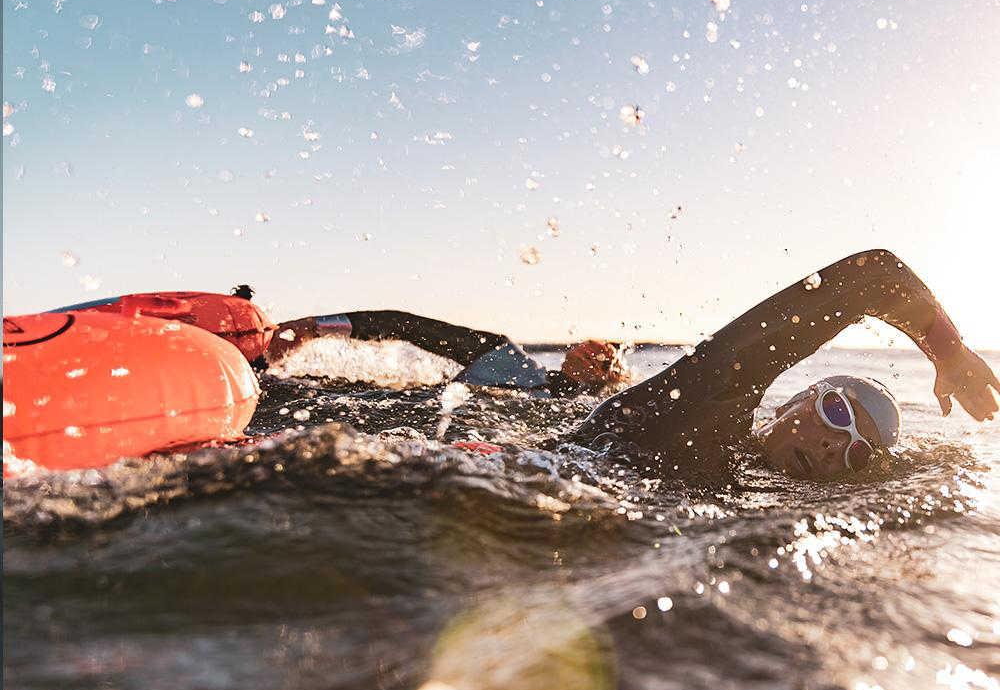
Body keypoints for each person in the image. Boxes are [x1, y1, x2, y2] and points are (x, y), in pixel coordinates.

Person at [570, 249, 999, 479]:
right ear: (791, 402)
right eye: (837, 412)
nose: (835, 446)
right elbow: (878, 276)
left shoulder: (740, 488)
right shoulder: (711, 401)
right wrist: (949, 352)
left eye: (859, 454)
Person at [265, 308, 631, 397]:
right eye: (584, 349)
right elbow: (412, 326)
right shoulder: (511, 362)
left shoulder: (599, 418)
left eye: (597, 357)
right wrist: (319, 326)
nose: (584, 353)